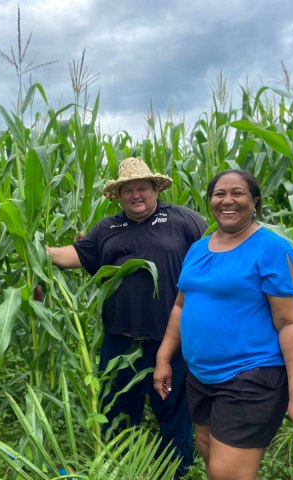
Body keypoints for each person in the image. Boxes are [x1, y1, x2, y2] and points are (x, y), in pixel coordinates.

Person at [47, 157, 208, 476]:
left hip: (172, 339)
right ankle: (119, 470)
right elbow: (76, 255)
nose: (136, 195)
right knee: (118, 413)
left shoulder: (183, 220)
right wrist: (35, 247)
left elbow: (214, 253)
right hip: (119, 342)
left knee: (174, 414)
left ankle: (176, 471)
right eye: (128, 190)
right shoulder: (107, 228)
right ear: (118, 195)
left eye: (142, 188)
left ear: (155, 190)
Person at [154, 169, 293, 479]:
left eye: (237, 194)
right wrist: (164, 358)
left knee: (226, 472)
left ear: (254, 202)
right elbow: (180, 306)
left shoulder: (271, 249)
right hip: (201, 376)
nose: (227, 201)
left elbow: (291, 324)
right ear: (210, 201)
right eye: (219, 194)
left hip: (252, 376)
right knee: (211, 456)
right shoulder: (198, 249)